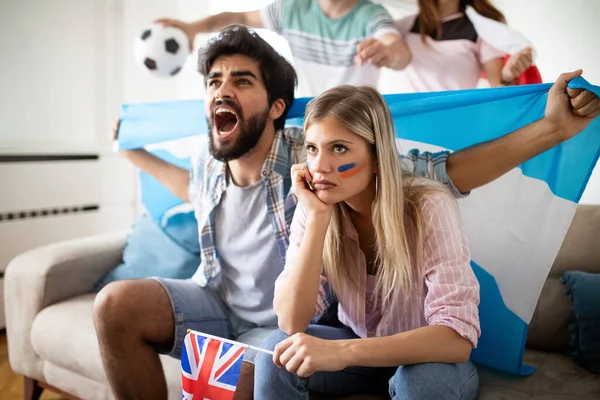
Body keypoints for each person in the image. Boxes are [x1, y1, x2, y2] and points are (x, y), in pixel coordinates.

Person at [95, 25, 600, 400]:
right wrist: (132, 150)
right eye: (214, 81)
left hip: (396, 349)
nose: (319, 165)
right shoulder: (257, 177)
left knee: (414, 379)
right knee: (262, 348)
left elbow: (448, 173)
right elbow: (291, 319)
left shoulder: (371, 182)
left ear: (275, 106)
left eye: (242, 81)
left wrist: (552, 131)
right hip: (247, 308)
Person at [253, 82, 599, 399]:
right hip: (358, 350)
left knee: (419, 384)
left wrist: (342, 352)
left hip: (427, 359)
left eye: (339, 148)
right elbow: (291, 322)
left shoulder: (429, 205)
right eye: (312, 149)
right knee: (277, 352)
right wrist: (316, 218)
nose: (320, 166)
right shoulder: (316, 205)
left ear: (376, 157)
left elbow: (456, 339)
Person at [156, 0, 412, 97]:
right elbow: (241, 18)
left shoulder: (372, 15)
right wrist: (193, 28)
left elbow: (400, 53)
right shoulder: (291, 9)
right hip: (308, 120)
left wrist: (388, 53)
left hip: (357, 123)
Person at [394, 0, 535, 92]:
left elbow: (497, 89)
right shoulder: (402, 27)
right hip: (402, 123)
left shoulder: (482, 30)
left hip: (452, 123)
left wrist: (507, 76)